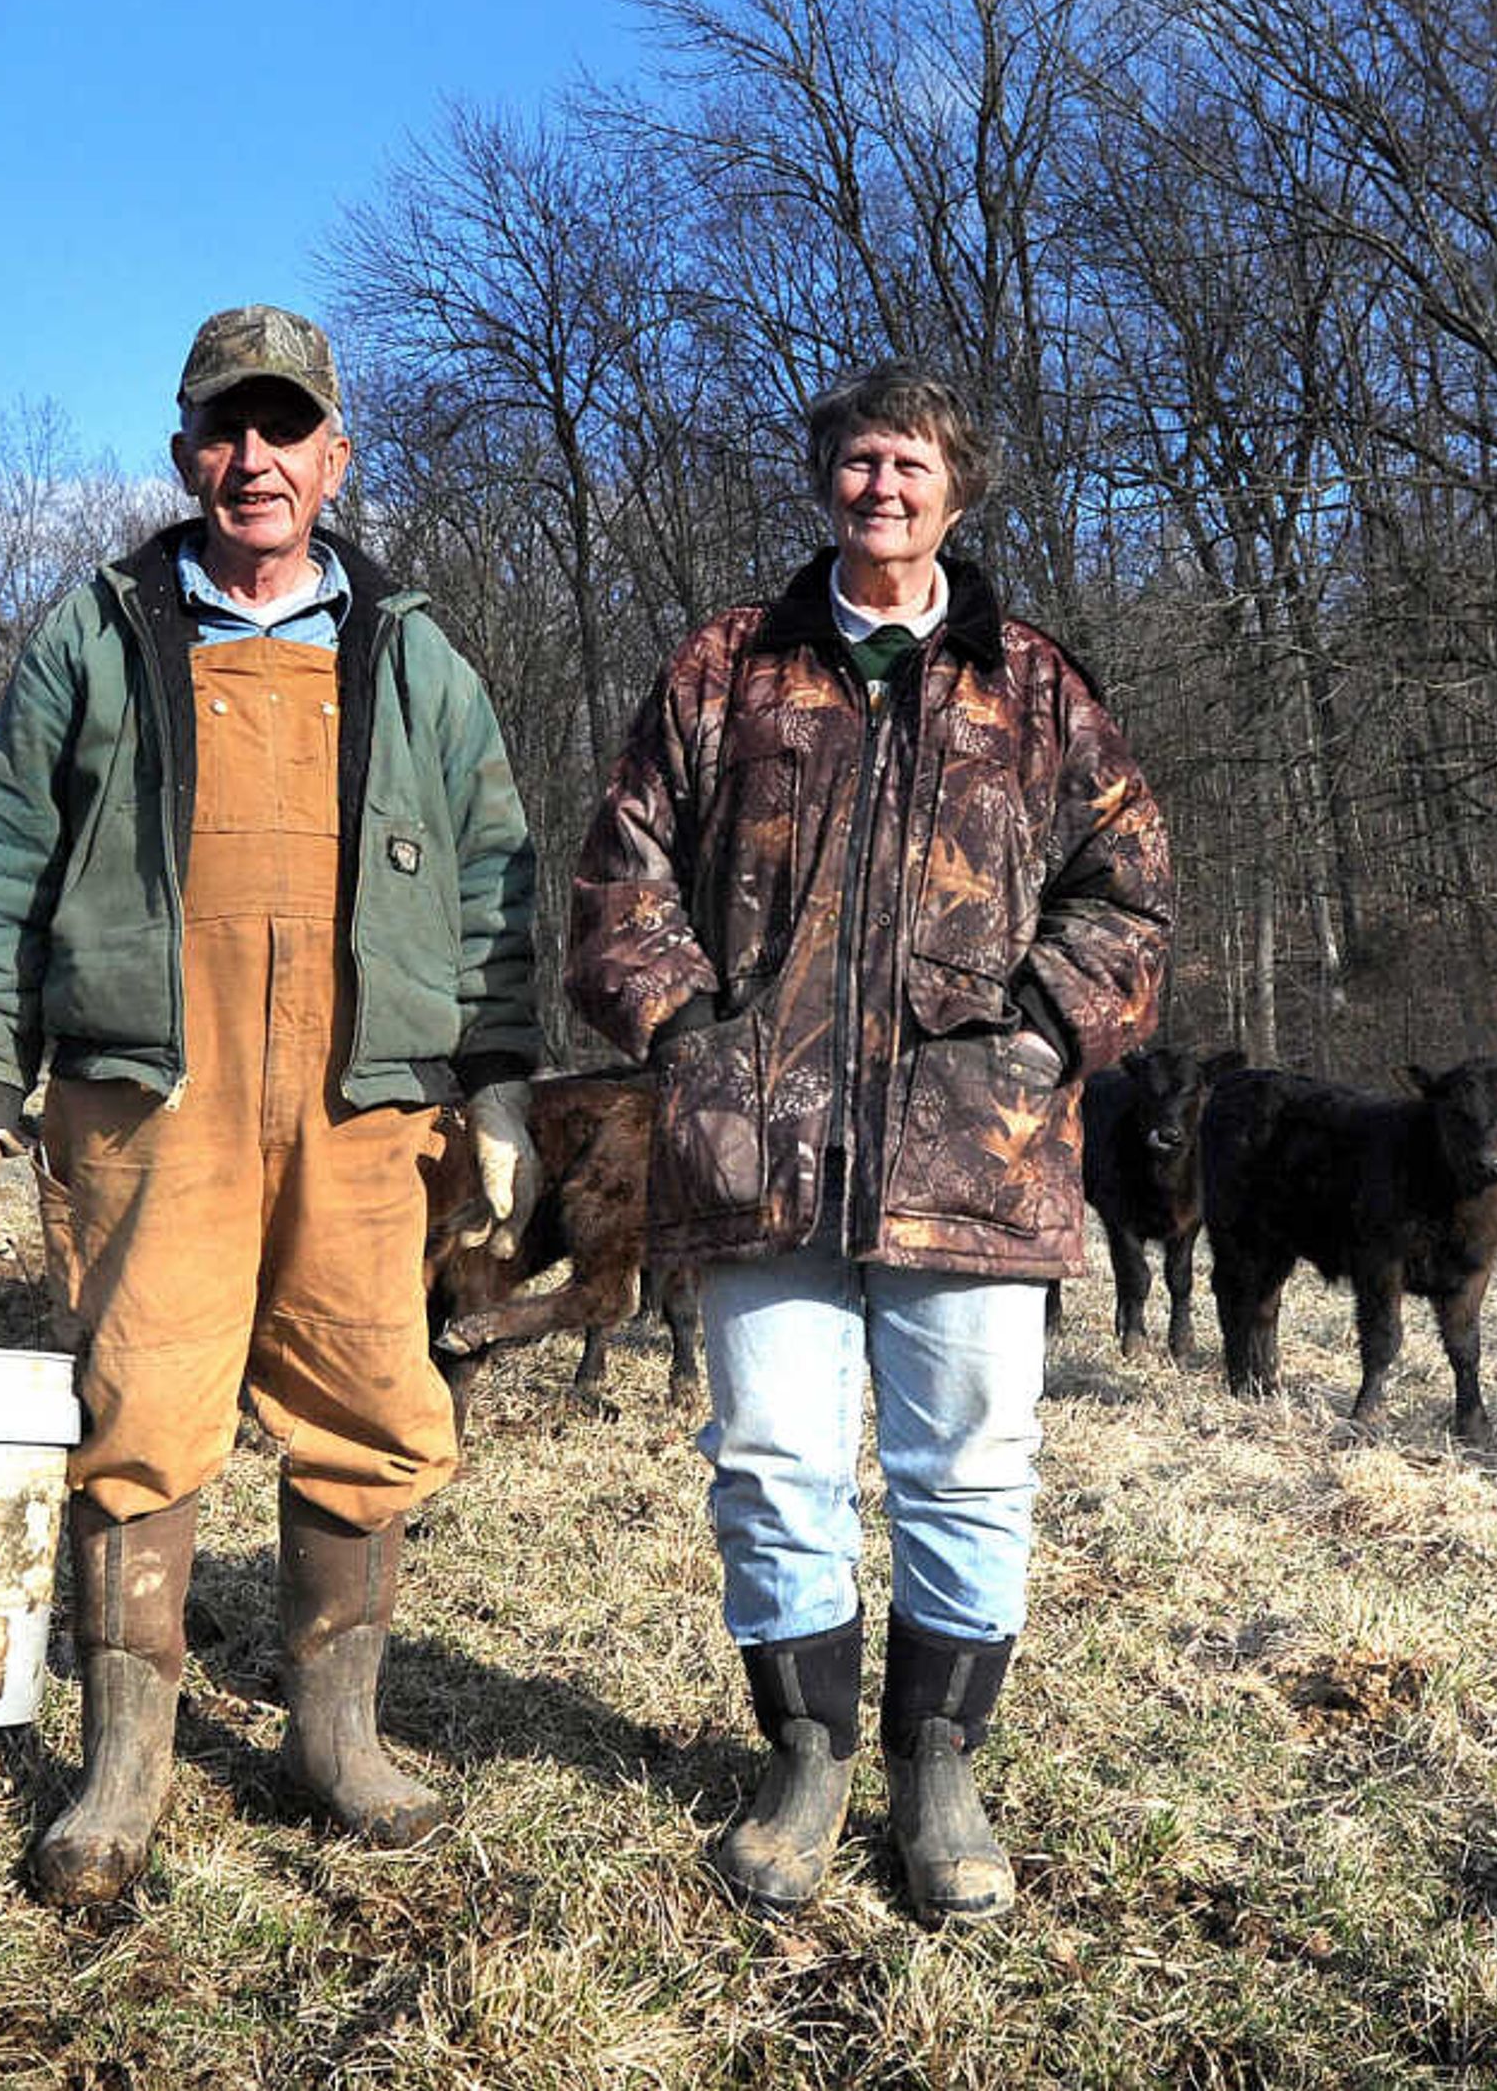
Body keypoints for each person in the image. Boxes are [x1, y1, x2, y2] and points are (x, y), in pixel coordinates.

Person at [0, 302, 541, 1909]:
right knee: (143, 1400)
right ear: (185, 450)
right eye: (223, 428)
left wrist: (499, 1081)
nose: (251, 458)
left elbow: (493, 880)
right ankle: (126, 1760)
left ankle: (333, 1738)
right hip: (153, 1091)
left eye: (284, 429)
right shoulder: (99, 637)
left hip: (359, 1096)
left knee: (368, 1391)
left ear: (336, 455)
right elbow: (3, 868)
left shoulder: (411, 651)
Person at [566, 360, 1171, 1926]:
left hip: (980, 1152)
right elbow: (619, 880)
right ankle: (810, 1753)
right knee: (771, 1461)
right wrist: (690, 1037)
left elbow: (1132, 890)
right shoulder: (729, 669)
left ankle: (942, 1763)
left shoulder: (1031, 687)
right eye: (855, 463)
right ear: (822, 481)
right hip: (754, 1150)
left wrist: (1041, 1028)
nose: (881, 489)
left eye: (909, 464)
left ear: (955, 490)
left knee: (969, 1470)